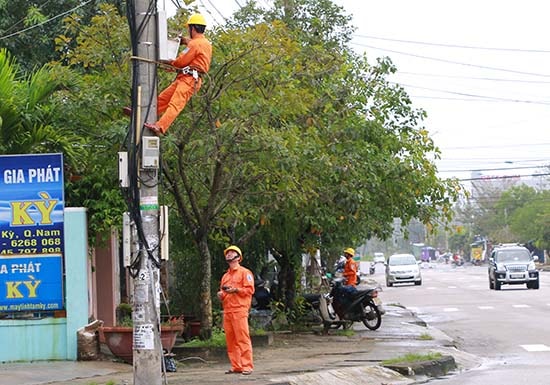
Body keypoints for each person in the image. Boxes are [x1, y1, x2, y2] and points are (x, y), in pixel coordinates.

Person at [144, 13, 213, 135]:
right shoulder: (205, 43)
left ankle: (160, 127)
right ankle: (142, 113)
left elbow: (182, 61)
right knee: (163, 98)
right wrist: (185, 41)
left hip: (190, 79)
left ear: (192, 28)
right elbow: (194, 49)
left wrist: (170, 62)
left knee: (175, 104)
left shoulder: (195, 44)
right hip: (186, 77)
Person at [217, 245, 255, 375]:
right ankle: (236, 366)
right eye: (227, 253)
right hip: (228, 311)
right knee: (231, 340)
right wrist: (221, 295)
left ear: (238, 257)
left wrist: (236, 290)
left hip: (239, 310)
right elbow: (223, 292)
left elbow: (250, 290)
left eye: (232, 252)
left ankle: (247, 366)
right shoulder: (225, 276)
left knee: (242, 338)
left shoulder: (245, 273)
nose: (228, 254)